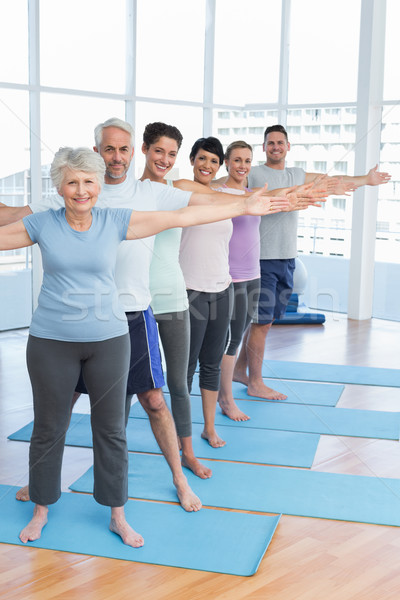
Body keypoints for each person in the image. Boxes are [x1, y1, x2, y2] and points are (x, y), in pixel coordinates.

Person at [233, 124, 392, 401]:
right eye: (270, 143)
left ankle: (239, 369)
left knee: (263, 322)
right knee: (261, 322)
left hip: (287, 258)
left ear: (288, 146)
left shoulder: (297, 174)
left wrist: (366, 179)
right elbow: (227, 188)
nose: (275, 147)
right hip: (261, 259)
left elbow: (334, 182)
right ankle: (255, 382)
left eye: (280, 142)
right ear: (264, 148)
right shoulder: (254, 172)